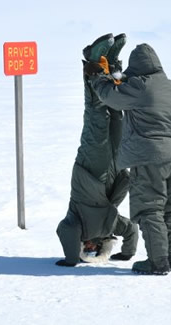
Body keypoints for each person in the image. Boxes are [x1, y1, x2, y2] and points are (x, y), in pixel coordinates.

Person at [85, 43, 171, 275]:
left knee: (150, 209)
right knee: (169, 209)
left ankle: (156, 262)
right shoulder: (168, 86)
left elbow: (112, 98)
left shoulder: (142, 87)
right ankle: (170, 258)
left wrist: (98, 77)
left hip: (149, 158)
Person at [55, 34, 138, 267]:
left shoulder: (77, 226)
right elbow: (131, 230)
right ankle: (111, 65)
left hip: (90, 171)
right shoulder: (111, 226)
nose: (91, 248)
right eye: (95, 251)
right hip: (115, 166)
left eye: (87, 251)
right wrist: (127, 253)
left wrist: (72, 259)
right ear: (102, 245)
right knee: (116, 117)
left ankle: (93, 61)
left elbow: (65, 230)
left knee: (96, 118)